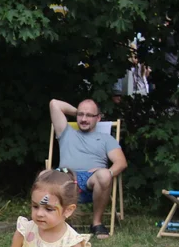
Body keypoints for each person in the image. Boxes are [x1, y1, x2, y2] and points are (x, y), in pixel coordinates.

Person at [48, 98, 127, 238]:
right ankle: (62, 221)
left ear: (98, 118)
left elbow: (121, 162)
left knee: (104, 175)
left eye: (89, 115)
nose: (84, 119)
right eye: (81, 115)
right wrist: (79, 112)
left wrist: (107, 172)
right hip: (67, 177)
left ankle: (97, 224)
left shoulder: (106, 139)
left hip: (92, 181)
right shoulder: (66, 132)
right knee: (47, 174)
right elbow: (54, 103)